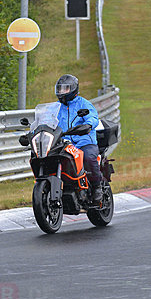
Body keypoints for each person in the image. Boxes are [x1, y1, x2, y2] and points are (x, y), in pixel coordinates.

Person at [54, 74, 103, 204]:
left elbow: (93, 117)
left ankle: (97, 187)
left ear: (73, 89)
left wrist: (88, 125)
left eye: (65, 89)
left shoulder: (83, 103)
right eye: (60, 89)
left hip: (84, 142)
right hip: (63, 144)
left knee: (87, 157)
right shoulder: (56, 108)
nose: (61, 92)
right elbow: (46, 121)